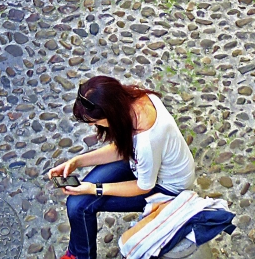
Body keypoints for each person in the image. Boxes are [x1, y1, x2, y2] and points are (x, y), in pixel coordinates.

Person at [48, 76, 196, 259]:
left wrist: (95, 189)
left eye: (94, 121)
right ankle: (78, 253)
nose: (93, 126)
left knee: (80, 206)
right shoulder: (136, 100)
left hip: (167, 188)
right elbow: (122, 149)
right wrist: (77, 162)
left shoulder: (146, 140)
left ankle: (80, 256)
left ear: (110, 112)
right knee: (77, 203)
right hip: (145, 166)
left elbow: (144, 186)